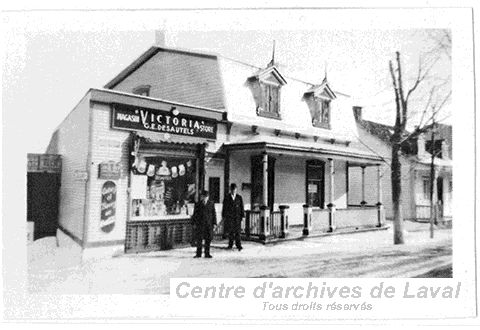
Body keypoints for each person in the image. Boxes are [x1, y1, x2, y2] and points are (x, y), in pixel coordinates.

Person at [191, 190, 217, 258]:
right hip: (200, 224)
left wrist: (214, 223)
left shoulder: (211, 204)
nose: (205, 198)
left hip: (208, 224)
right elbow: (195, 214)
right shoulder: (198, 204)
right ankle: (198, 253)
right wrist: (194, 223)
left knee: (208, 240)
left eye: (206, 197)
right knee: (199, 239)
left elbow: (214, 214)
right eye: (204, 196)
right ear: (201, 197)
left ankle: (207, 253)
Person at [222, 183, 245, 251]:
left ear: (236, 189)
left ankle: (239, 245)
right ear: (230, 189)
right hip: (230, 217)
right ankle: (230, 244)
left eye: (234, 189)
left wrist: (242, 216)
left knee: (238, 232)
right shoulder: (227, 197)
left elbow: (242, 207)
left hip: (237, 217)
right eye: (232, 189)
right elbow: (224, 208)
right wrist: (224, 216)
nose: (233, 191)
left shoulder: (239, 197)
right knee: (231, 231)